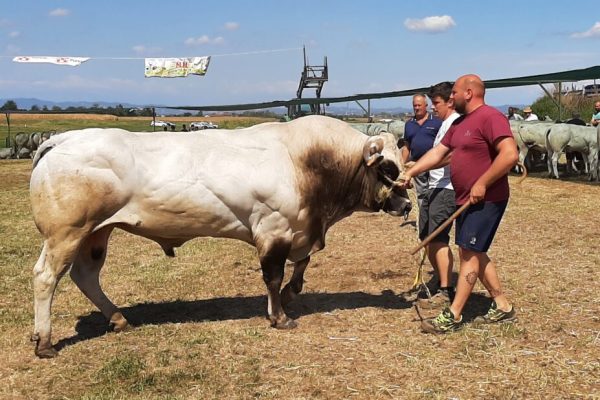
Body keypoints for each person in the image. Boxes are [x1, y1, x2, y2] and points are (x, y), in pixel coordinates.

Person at [400, 74, 519, 334]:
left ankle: (453, 315)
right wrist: (411, 172)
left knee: (468, 253)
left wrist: (482, 182)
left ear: (469, 92)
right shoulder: (460, 123)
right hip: (466, 197)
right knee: (475, 252)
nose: (451, 97)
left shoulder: (491, 117)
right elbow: (438, 153)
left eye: (454, 92)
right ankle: (502, 305)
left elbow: (510, 154)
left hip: (487, 198)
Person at [416, 82, 461, 309]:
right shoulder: (444, 124)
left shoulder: (454, 123)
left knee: (439, 239)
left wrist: (421, 167)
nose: (434, 108)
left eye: (436, 103)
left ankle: (446, 290)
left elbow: (450, 156)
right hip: (434, 187)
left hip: (446, 188)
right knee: (427, 237)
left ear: (450, 102)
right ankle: (439, 282)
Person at [401, 94, 442, 208]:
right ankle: (423, 220)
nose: (417, 108)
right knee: (421, 194)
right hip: (417, 164)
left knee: (435, 191)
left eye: (419, 105)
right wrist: (402, 165)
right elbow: (406, 147)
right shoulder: (409, 124)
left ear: (426, 106)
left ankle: (434, 217)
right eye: (415, 105)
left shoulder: (437, 122)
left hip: (435, 164)